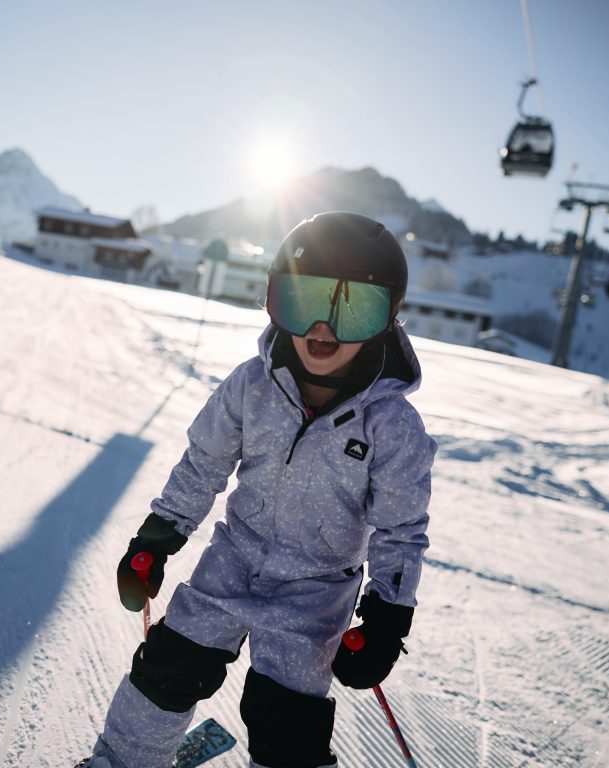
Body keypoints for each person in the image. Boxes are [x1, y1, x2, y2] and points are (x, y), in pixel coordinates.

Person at [79, 211, 437, 768]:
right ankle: (124, 759)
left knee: (286, 720)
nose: (322, 328)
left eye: (353, 308)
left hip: (317, 589)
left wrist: (387, 617)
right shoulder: (252, 385)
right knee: (168, 667)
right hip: (234, 559)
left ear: (386, 318)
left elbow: (400, 528)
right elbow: (204, 463)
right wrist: (159, 535)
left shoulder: (392, 426)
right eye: (303, 300)